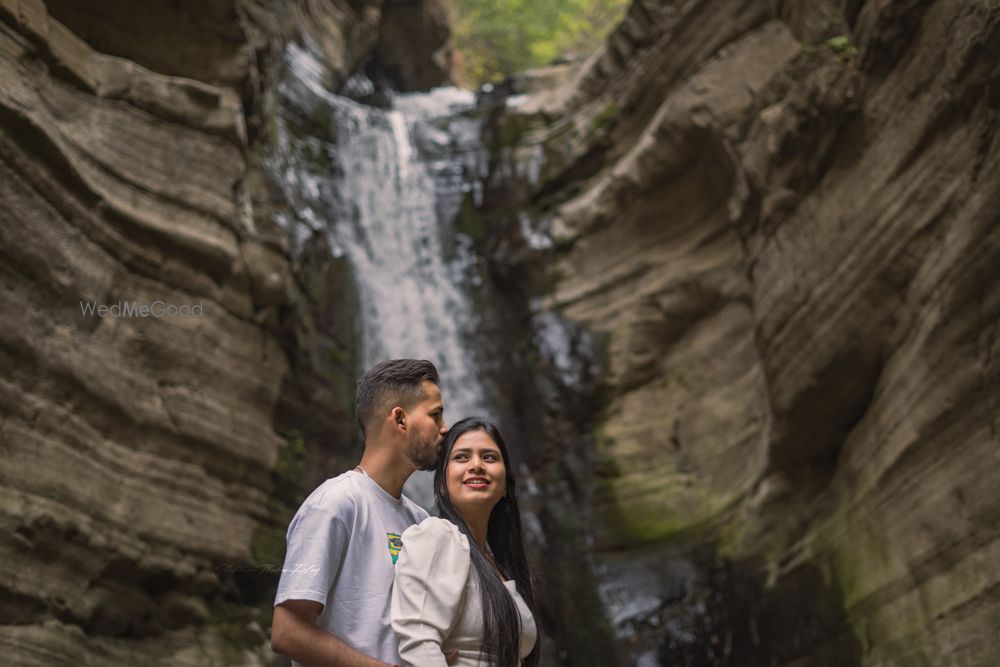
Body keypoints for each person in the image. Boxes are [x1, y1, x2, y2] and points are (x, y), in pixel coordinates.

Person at [271, 358, 450, 667]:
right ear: (400, 419)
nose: (445, 428)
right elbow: (287, 632)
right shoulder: (333, 504)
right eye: (435, 415)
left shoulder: (421, 521)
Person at [391, 417, 540, 667]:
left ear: (505, 485)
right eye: (462, 457)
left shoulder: (498, 564)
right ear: (441, 485)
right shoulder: (437, 535)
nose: (477, 465)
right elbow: (419, 642)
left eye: (489, 457)